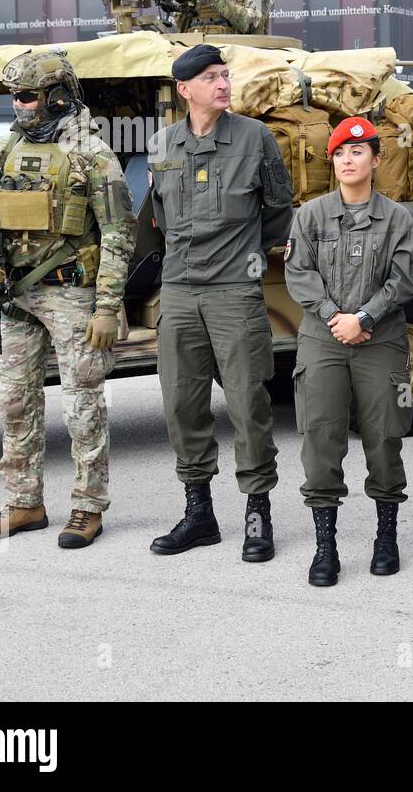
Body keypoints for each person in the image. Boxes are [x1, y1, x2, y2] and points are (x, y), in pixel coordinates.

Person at [0, 49, 136, 548]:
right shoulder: (2, 149)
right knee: (14, 402)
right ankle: (25, 502)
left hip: (73, 291)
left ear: (57, 95)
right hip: (16, 293)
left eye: (27, 96)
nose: (19, 106)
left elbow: (117, 233)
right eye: (14, 97)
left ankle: (88, 507)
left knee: (83, 404)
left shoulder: (92, 152)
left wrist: (107, 306)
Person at [147, 44, 295, 560]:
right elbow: (162, 220)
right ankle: (199, 513)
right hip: (180, 290)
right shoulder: (162, 144)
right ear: (185, 90)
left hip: (235, 290)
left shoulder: (255, 138)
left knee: (247, 402)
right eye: (211, 77)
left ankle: (258, 513)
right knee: (181, 404)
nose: (223, 84)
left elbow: (279, 210)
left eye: (225, 75)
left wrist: (247, 255)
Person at [284, 117, 413, 586]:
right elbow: (299, 274)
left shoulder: (398, 218)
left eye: (358, 152)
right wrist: (334, 317)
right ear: (332, 160)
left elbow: (404, 280)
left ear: (376, 160)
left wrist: (362, 319)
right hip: (323, 339)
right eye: (341, 153)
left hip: (379, 340)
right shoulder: (311, 216)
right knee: (320, 438)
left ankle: (386, 537)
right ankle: (326, 546)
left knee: (385, 437)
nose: (348, 160)